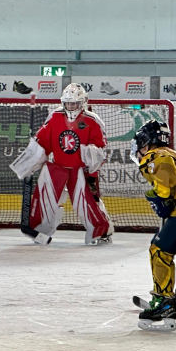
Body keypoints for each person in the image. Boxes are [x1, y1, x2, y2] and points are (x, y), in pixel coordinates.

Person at [10, 82, 114, 245]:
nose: (71, 107)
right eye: (68, 103)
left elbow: (100, 147)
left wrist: (91, 157)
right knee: (45, 198)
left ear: (83, 102)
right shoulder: (55, 117)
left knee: (88, 202)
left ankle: (101, 232)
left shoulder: (93, 120)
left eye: (74, 103)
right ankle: (39, 230)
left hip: (82, 170)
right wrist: (29, 163)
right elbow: (43, 140)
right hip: (58, 167)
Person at [131, 119, 176, 331]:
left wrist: (159, 197)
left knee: (159, 250)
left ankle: (164, 302)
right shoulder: (173, 154)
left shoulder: (156, 156)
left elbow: (164, 191)